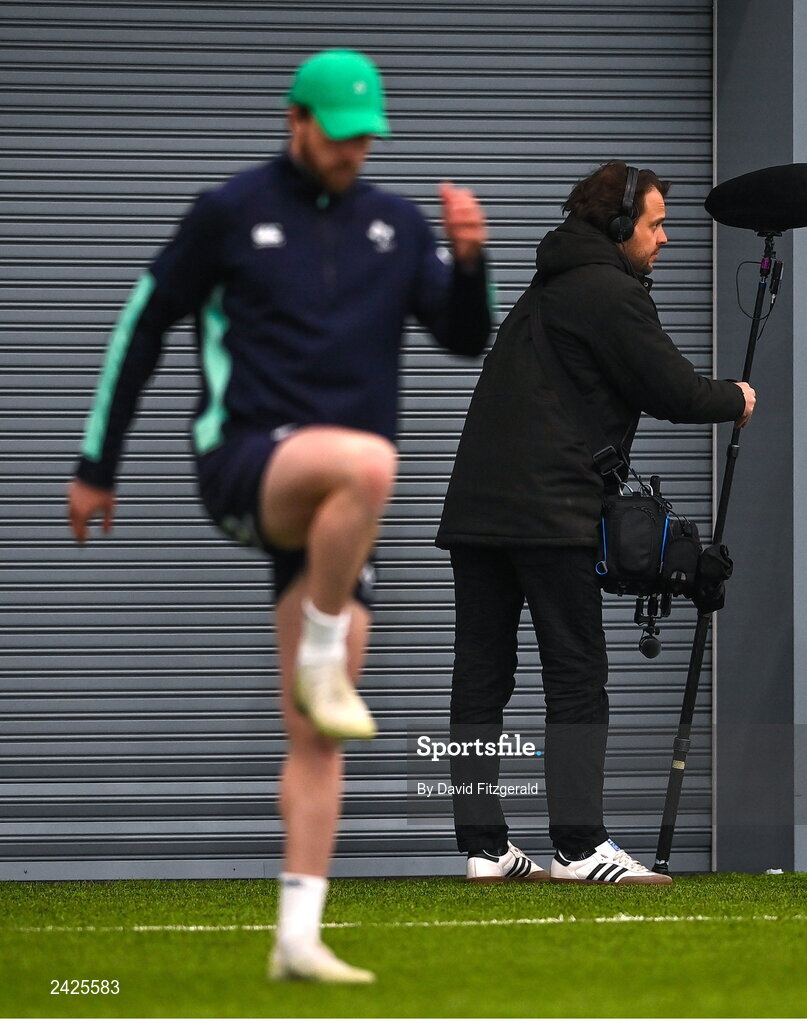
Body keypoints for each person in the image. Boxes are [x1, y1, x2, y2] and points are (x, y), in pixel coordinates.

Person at [67, 49, 491, 982]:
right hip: (246, 461)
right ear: (295, 122)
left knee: (319, 725)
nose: (351, 153)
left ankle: (298, 933)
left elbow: (463, 338)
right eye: (337, 137)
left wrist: (469, 262)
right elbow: (142, 321)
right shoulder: (229, 212)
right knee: (370, 462)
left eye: (364, 139)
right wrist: (97, 463)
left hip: (337, 515)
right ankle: (320, 646)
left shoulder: (394, 222)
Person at [435, 160, 755, 886]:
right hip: (549, 513)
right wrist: (734, 396)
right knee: (576, 675)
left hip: (477, 513)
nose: (666, 238)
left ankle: (484, 848)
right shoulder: (608, 292)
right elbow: (671, 389)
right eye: (655, 224)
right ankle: (579, 847)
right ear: (618, 227)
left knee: (480, 676)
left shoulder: (546, 287)